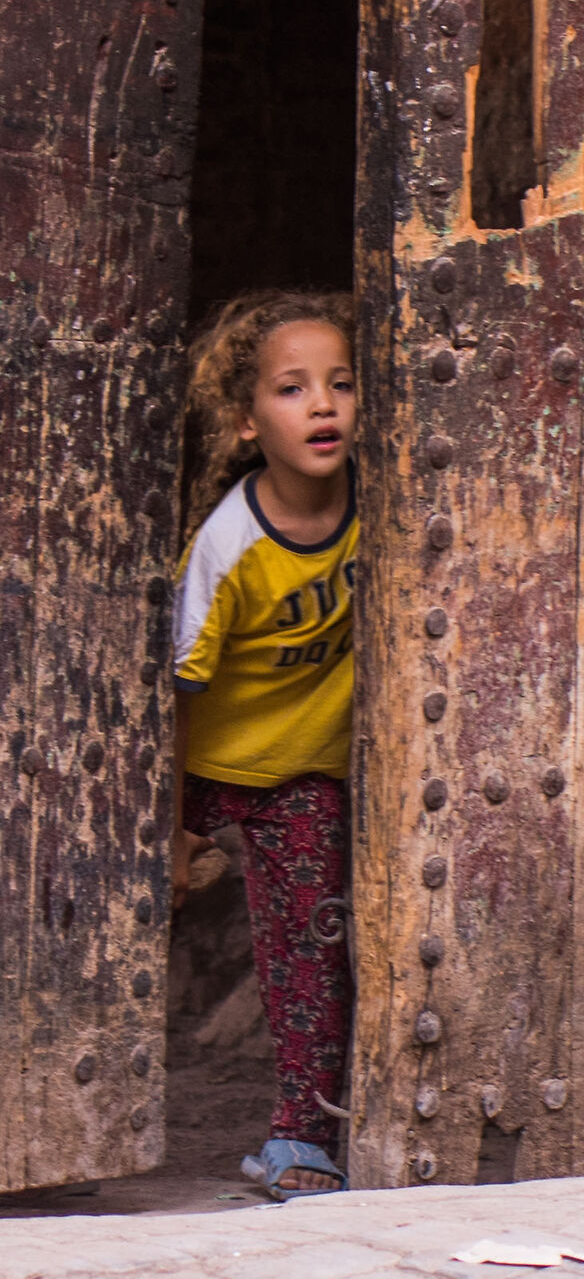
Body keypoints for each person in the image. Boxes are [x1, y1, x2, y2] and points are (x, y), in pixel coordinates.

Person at [169, 291, 359, 1199]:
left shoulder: (385, 509)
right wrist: (175, 826)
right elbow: (180, 687)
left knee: (307, 950)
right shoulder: (230, 545)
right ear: (247, 422)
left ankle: (301, 1139)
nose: (322, 405)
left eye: (341, 384)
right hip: (203, 765)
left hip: (303, 771)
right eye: (292, 389)